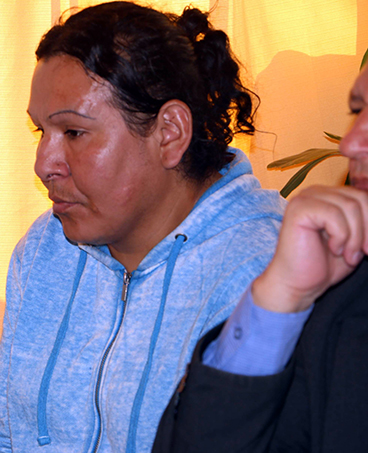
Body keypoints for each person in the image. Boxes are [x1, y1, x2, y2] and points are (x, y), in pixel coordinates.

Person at [0, 2, 285, 452]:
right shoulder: (44, 249)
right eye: (41, 132)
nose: (44, 165)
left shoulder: (265, 274)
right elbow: (2, 435)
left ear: (169, 132)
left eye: (73, 133)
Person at [152, 67, 368, 452]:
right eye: (357, 111)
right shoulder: (342, 297)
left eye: (74, 132)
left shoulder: (247, 242)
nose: (350, 144)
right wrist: (279, 297)